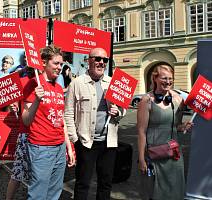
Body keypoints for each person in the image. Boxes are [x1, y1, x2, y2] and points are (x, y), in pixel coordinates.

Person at [64, 47, 126, 200]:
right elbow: (68, 113)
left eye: (105, 60)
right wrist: (75, 139)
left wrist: (118, 112)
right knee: (83, 183)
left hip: (109, 142)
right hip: (86, 142)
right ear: (88, 60)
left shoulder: (112, 83)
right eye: (97, 59)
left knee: (105, 183)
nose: (101, 62)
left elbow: (123, 108)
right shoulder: (76, 83)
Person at [22, 44, 75, 200]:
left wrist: (69, 148)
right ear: (44, 63)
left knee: (54, 193)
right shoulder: (33, 84)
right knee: (38, 194)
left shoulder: (58, 88)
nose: (60, 67)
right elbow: (26, 120)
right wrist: (37, 100)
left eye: (61, 64)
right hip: (41, 148)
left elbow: (61, 119)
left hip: (59, 147)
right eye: (56, 63)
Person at [137, 64, 193, 200]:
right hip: (154, 155)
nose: (168, 82)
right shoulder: (146, 100)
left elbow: (176, 126)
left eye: (170, 78)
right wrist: (141, 158)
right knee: (155, 192)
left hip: (174, 155)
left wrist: (183, 127)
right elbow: (141, 132)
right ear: (155, 78)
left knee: (174, 192)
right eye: (164, 78)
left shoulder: (178, 99)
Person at [5, 67, 35, 200]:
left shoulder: (48, 82)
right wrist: (13, 107)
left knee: (38, 174)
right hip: (26, 134)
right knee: (18, 172)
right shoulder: (23, 81)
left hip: (43, 136)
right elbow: (16, 110)